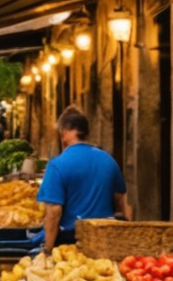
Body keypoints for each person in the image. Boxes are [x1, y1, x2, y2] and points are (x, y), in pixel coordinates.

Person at [39, 107, 131, 251]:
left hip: (70, 243)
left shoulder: (57, 165)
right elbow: (121, 202)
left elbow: (54, 212)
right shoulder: (109, 160)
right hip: (105, 240)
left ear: (63, 133)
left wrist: (48, 249)